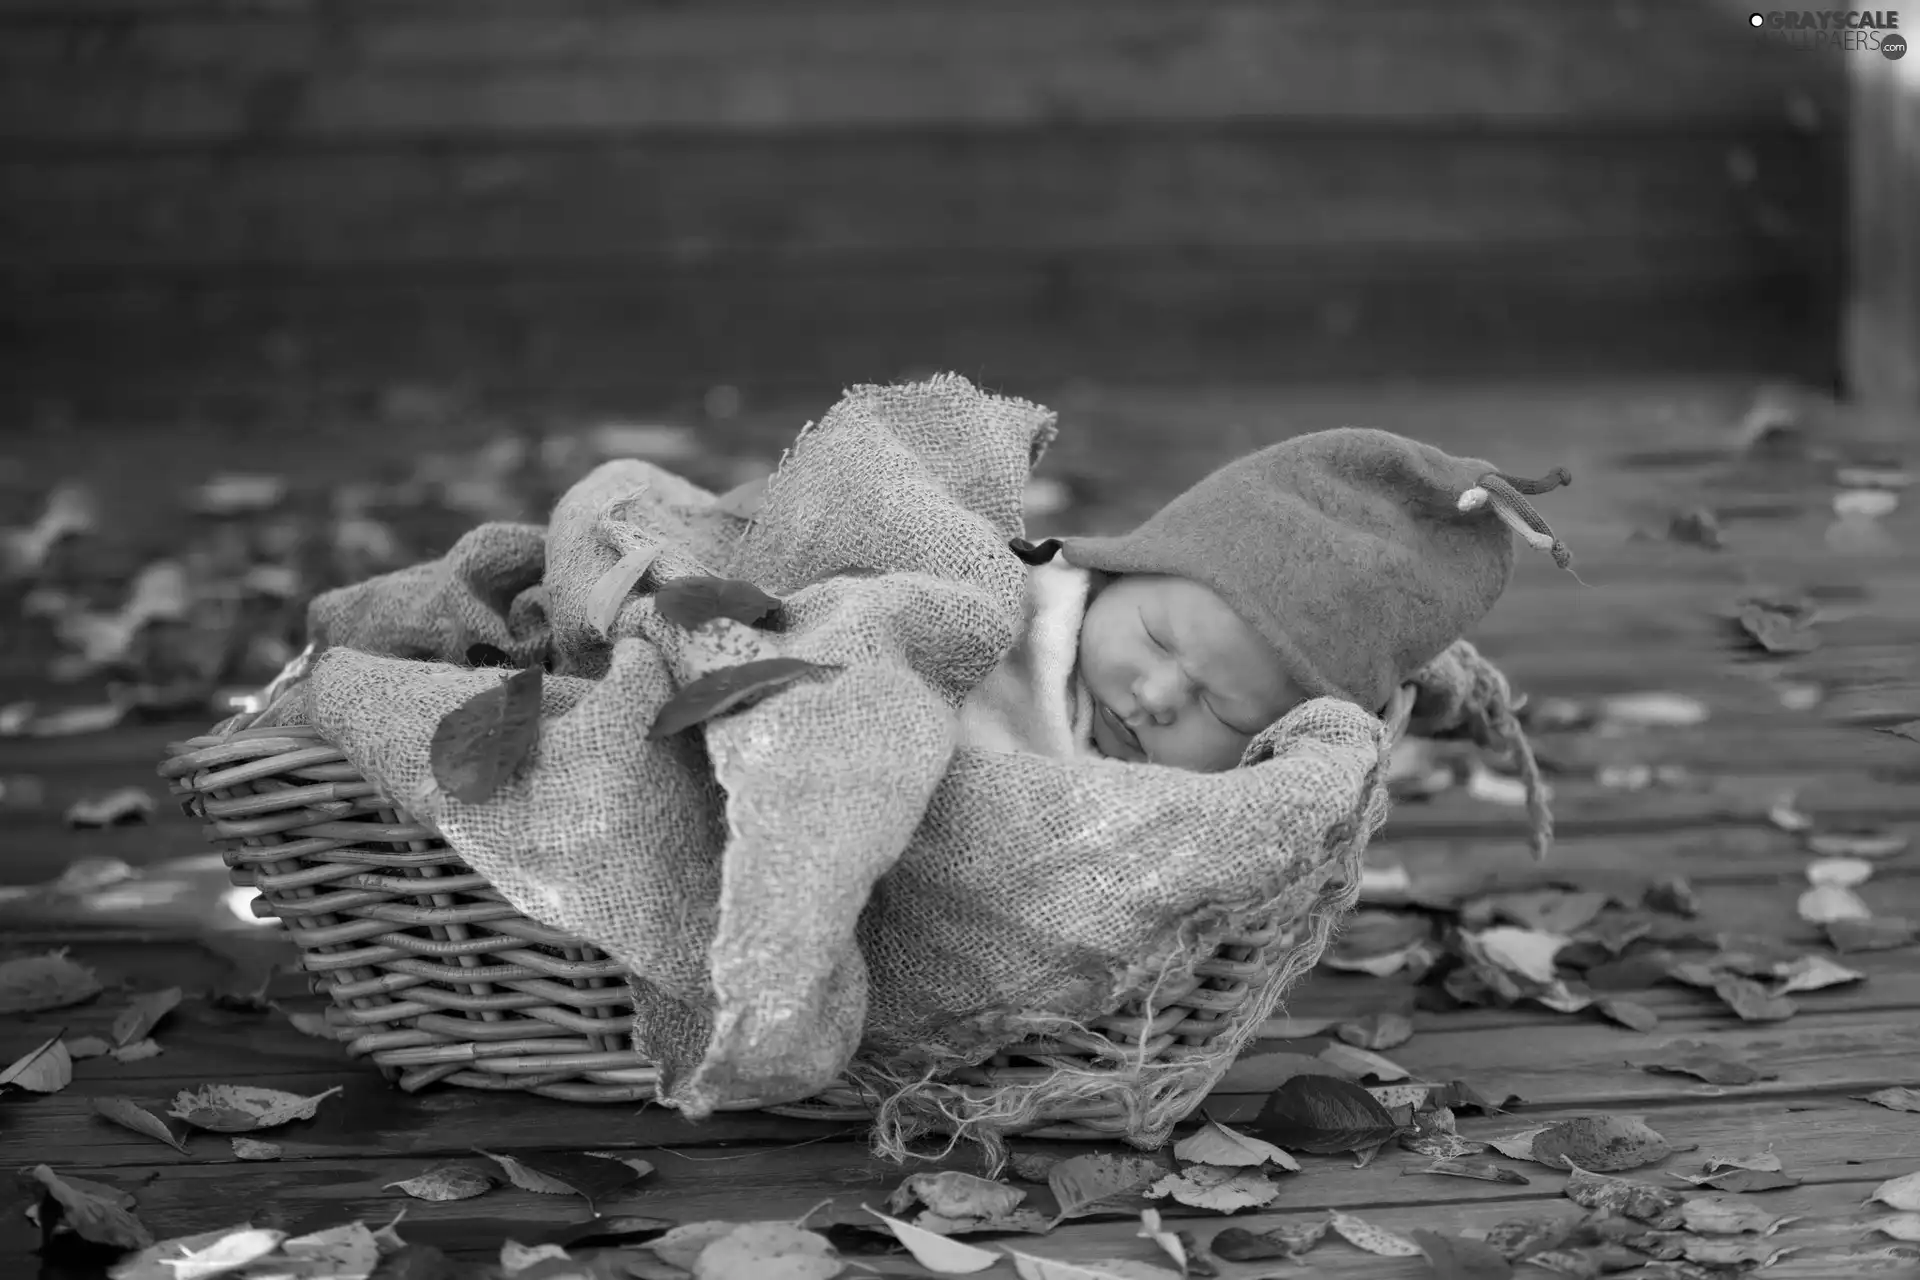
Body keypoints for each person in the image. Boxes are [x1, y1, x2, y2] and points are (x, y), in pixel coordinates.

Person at [958, 427, 1572, 770]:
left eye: (1223, 714)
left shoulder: (1219, 811)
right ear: (1121, 570)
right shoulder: (1012, 604)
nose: (1156, 696)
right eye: (1155, 637)